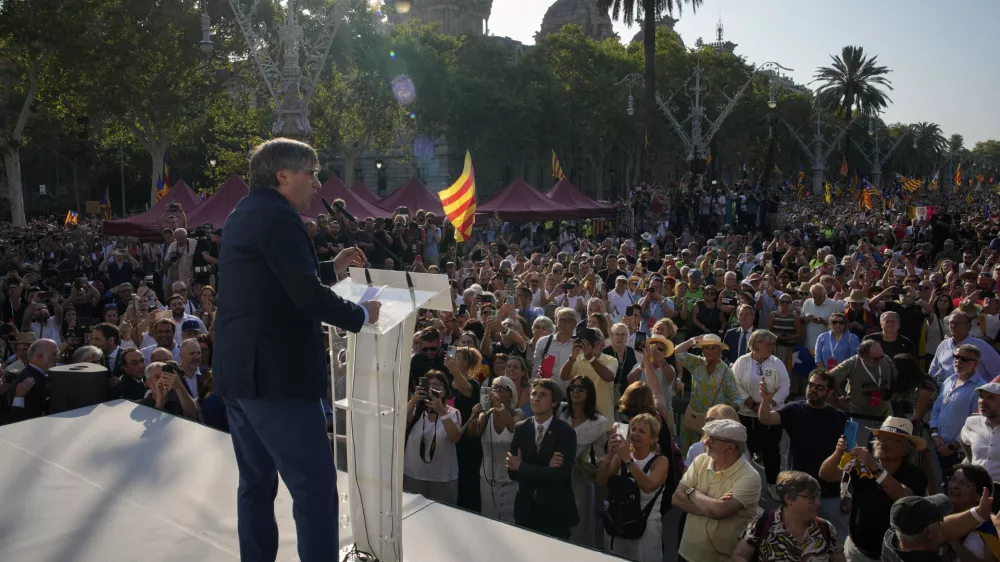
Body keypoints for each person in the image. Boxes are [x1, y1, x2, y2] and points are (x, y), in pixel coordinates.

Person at [212, 138, 381, 562]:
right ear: (283, 175)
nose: (318, 182)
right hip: (277, 379)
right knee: (315, 490)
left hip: (239, 375)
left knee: (254, 485)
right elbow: (305, 296)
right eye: (312, 172)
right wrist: (361, 314)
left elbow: (275, 280)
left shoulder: (244, 212)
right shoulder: (281, 218)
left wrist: (331, 266)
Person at [818, 417, 928, 562]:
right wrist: (838, 453)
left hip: (895, 555)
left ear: (905, 449)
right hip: (856, 552)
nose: (881, 443)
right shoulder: (862, 466)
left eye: (890, 439)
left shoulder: (914, 475)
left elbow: (903, 498)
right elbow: (827, 474)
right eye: (879, 437)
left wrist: (876, 470)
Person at [759, 369, 850, 539]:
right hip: (799, 490)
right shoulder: (794, 410)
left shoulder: (839, 418)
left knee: (833, 537)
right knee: (795, 537)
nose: (813, 390)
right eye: (811, 385)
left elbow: (849, 457)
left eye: (819, 387)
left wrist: (847, 492)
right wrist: (766, 400)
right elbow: (765, 419)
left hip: (829, 492)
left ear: (830, 392)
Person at [672, 419, 762, 562]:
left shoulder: (750, 477)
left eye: (713, 439)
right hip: (687, 551)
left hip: (720, 557)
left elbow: (720, 511)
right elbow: (676, 498)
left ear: (731, 448)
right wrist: (712, 509)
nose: (706, 442)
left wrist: (691, 492)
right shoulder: (701, 460)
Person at [506, 378, 578, 540]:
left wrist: (523, 467)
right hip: (525, 511)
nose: (536, 398)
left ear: (554, 403)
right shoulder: (521, 428)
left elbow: (560, 475)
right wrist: (546, 468)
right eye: (534, 394)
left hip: (555, 513)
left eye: (543, 395)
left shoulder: (565, 432)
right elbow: (512, 472)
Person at [596, 412, 670, 562]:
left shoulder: (660, 461)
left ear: (653, 439)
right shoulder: (620, 456)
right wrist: (610, 455)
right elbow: (600, 482)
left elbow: (648, 487)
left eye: (642, 431)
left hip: (645, 528)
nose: (635, 434)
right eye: (633, 429)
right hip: (617, 523)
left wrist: (628, 460)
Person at [732, 471, 844, 562]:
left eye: (818, 497)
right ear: (789, 499)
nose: (818, 503)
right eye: (811, 497)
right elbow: (739, 556)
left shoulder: (826, 529)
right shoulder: (762, 523)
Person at [558, 374, 608, 548]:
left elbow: (600, 455)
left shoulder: (599, 422)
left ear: (589, 393)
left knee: (578, 529)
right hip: (554, 476)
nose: (575, 391)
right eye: (572, 387)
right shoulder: (559, 411)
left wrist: (602, 468)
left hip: (579, 479)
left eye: (580, 388)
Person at [468, 375, 524, 523]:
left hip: (511, 481)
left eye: (502, 388)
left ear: (511, 392)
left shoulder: (518, 414)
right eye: (494, 388)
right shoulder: (486, 415)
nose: (497, 391)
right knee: (489, 520)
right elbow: (473, 433)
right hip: (488, 479)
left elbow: (513, 427)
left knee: (511, 522)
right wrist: (474, 416)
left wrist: (500, 407)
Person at [403, 370, 462, 504]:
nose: (432, 389)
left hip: (443, 478)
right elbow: (397, 425)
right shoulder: (415, 410)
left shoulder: (453, 413)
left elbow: (455, 437)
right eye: (428, 385)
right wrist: (413, 400)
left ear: (445, 391)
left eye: (437, 385)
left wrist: (441, 411)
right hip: (414, 475)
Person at [673, 334, 741, 452]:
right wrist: (693, 339)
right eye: (706, 348)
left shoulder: (726, 372)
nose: (710, 351)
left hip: (713, 423)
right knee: (688, 453)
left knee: (707, 456)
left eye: (714, 348)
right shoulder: (697, 363)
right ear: (702, 350)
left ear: (720, 350)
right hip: (693, 417)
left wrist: (723, 412)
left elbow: (737, 400)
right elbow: (677, 352)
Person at [880, 492, 992, 562]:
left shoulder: (890, 538)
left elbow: (942, 529)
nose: (944, 520)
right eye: (941, 518)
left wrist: (979, 513)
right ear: (928, 532)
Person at [930, 344, 984, 479]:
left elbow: (975, 424)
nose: (958, 361)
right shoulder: (949, 380)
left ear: (975, 364)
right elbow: (936, 409)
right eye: (956, 357)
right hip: (939, 445)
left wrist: (952, 446)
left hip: (959, 452)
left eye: (964, 359)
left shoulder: (980, 389)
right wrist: (935, 435)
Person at [830, 340, 897, 441]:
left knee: (886, 449)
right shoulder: (853, 363)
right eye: (876, 358)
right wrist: (840, 397)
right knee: (854, 450)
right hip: (859, 415)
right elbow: (830, 378)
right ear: (863, 356)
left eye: (881, 356)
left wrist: (893, 392)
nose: (880, 360)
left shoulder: (886, 359)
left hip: (884, 414)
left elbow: (896, 378)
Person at [559, 326, 617, 428]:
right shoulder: (578, 358)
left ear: (600, 344)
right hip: (581, 420)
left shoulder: (610, 360)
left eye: (591, 342)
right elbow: (564, 376)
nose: (588, 345)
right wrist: (572, 358)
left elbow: (609, 377)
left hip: (604, 420)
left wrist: (591, 358)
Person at [929, 310, 1000, 384]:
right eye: (951, 323)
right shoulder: (943, 345)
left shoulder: (981, 346)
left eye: (957, 323)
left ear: (968, 325)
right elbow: (933, 371)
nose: (953, 326)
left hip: (975, 392)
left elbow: (998, 371)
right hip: (947, 392)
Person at [960, 376, 1000, 482]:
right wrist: (971, 461)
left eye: (990, 398)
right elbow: (964, 440)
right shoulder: (972, 422)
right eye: (981, 397)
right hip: (975, 491)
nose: (982, 401)